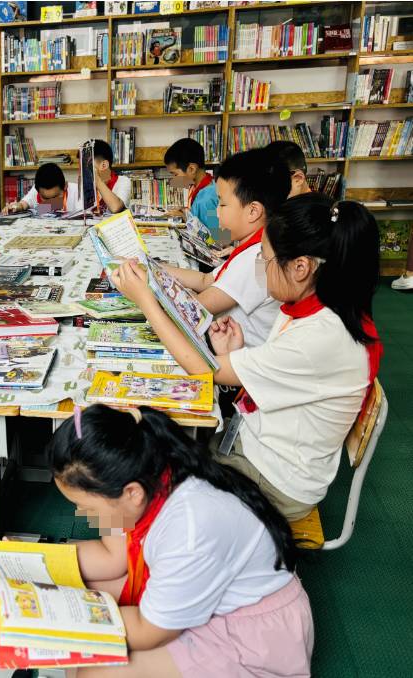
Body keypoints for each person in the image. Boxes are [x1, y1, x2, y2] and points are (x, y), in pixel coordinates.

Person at [113, 193, 383, 521]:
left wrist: (146, 301)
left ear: (300, 267)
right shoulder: (319, 308)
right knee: (153, 447)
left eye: (265, 261)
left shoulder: (321, 335)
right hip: (258, 445)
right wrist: (238, 354)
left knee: (139, 487)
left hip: (274, 481)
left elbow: (206, 371)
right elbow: (294, 380)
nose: (261, 272)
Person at [50, 405, 312, 678]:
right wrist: (38, 562)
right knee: (74, 590)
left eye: (87, 508)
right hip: (217, 599)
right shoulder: (148, 472)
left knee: (95, 670)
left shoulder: (189, 529)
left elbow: (148, 630)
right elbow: (112, 557)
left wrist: (64, 620)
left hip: (250, 638)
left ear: (132, 493)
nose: (81, 514)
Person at [157, 148, 289, 348]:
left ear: (253, 211)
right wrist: (153, 267)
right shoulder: (252, 247)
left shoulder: (258, 260)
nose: (216, 212)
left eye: (222, 204)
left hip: (234, 356)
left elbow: (196, 309)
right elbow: (205, 280)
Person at [163, 137, 220, 238]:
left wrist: (186, 218)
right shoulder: (202, 185)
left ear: (192, 169)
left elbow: (216, 238)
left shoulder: (207, 201)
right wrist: (185, 212)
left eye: (175, 174)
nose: (174, 179)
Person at [2, 163, 81, 214]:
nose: (51, 202)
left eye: (55, 197)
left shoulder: (78, 191)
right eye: (45, 198)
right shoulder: (37, 189)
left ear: (65, 186)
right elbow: (23, 204)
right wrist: (15, 207)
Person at [92, 139, 132, 214]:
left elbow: (115, 208)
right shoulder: (87, 186)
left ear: (104, 165)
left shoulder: (123, 181)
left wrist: (97, 180)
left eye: (87, 167)